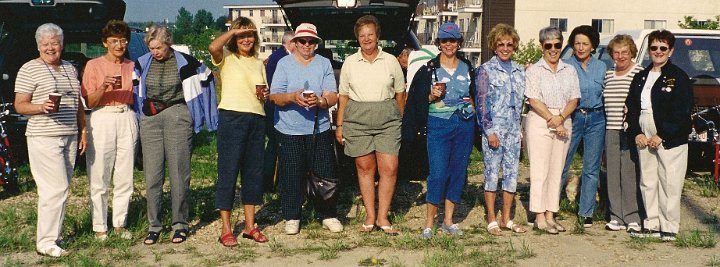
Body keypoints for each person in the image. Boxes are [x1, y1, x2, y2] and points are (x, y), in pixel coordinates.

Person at [134, 25, 218, 245]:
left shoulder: (187, 62)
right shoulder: (142, 63)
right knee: (152, 175)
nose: (155, 52)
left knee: (179, 173)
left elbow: (208, 79)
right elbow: (135, 92)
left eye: (159, 47)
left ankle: (179, 224)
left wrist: (206, 115)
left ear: (168, 43)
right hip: (150, 117)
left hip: (178, 114)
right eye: (151, 48)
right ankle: (154, 225)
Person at [15, 23, 87, 257]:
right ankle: (45, 243)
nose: (50, 48)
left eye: (54, 43)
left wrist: (83, 130)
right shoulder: (29, 69)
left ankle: (54, 237)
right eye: (45, 44)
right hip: (43, 136)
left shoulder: (69, 68)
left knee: (62, 188)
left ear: (62, 44)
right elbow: (20, 105)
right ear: (38, 46)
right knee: (54, 188)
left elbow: (77, 103)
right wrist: (41, 107)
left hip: (69, 135)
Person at [269, 23, 343, 235]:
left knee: (325, 173)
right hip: (289, 129)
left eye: (311, 41)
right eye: (302, 41)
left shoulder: (324, 63)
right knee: (291, 173)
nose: (307, 45)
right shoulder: (283, 64)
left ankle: (328, 214)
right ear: (295, 42)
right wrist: (292, 98)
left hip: (318, 129)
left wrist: (320, 101)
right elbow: (274, 96)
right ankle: (292, 216)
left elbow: (332, 95)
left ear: (316, 44)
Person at [404, 22, 475, 239]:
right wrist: (431, 96)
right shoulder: (428, 68)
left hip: (464, 124)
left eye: (453, 40)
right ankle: (428, 224)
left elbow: (476, 95)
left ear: (459, 43)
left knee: (458, 172)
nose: (449, 44)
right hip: (438, 124)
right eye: (444, 40)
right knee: (437, 173)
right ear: (438, 43)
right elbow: (416, 101)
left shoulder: (468, 67)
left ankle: (448, 221)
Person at [336, 15, 406, 234]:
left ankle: (383, 217)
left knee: (390, 167)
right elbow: (343, 97)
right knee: (365, 168)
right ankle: (370, 215)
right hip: (357, 117)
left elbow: (400, 93)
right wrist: (340, 126)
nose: (366, 39)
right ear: (357, 38)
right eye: (362, 35)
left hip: (387, 117)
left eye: (370, 34)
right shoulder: (349, 62)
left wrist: (397, 118)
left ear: (378, 36)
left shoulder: (391, 61)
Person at [625, 30, 692, 241]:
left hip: (670, 136)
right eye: (654, 47)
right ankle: (651, 224)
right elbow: (632, 107)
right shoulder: (641, 76)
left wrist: (662, 134)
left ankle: (669, 227)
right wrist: (636, 132)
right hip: (644, 131)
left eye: (663, 48)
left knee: (669, 181)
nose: (658, 52)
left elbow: (682, 111)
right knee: (648, 180)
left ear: (670, 51)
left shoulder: (678, 77)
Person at [208, 17, 268, 246]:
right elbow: (213, 47)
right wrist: (234, 31)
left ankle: (250, 226)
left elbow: (261, 91)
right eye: (242, 35)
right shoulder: (226, 57)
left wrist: (264, 95)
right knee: (228, 172)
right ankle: (225, 228)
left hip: (256, 118)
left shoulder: (259, 62)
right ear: (234, 38)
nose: (246, 39)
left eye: (250, 35)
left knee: (253, 173)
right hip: (232, 118)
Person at [81, 20, 136, 241]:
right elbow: (88, 102)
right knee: (100, 174)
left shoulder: (133, 66)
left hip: (126, 116)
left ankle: (120, 224)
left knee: (125, 175)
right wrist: (103, 86)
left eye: (123, 40)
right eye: (114, 40)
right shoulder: (94, 65)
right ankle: (99, 226)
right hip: (102, 117)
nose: (119, 45)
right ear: (105, 43)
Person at [525, 26, 580, 234]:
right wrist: (553, 119)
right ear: (542, 46)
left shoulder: (570, 70)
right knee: (540, 170)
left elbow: (574, 98)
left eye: (557, 45)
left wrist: (561, 119)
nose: (553, 49)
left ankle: (550, 214)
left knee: (557, 170)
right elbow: (533, 99)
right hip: (541, 120)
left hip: (563, 119)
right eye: (549, 45)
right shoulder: (534, 70)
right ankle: (539, 216)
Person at [476, 23, 526, 236]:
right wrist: (489, 132)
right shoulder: (485, 70)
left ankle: (507, 218)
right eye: (501, 44)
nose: (505, 48)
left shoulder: (520, 70)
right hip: (494, 131)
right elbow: (481, 104)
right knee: (491, 174)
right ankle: (491, 219)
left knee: (511, 175)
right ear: (494, 46)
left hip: (514, 132)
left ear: (514, 46)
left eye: (509, 44)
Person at [560, 25, 607, 228]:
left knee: (591, 167)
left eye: (585, 44)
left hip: (596, 118)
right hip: (573, 118)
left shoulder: (602, 67)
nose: (580, 47)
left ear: (593, 46)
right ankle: (550, 207)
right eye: (577, 43)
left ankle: (586, 212)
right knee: (563, 162)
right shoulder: (565, 66)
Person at [603, 34, 644, 233]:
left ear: (632, 53)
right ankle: (616, 216)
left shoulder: (639, 73)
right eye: (616, 53)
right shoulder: (609, 74)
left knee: (629, 174)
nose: (620, 56)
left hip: (629, 131)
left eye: (624, 52)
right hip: (611, 129)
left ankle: (632, 216)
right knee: (612, 174)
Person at [263, 31, 295, 192]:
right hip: (274, 107)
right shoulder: (282, 59)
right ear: (288, 44)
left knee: (274, 145)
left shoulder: (277, 56)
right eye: (296, 43)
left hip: (272, 106)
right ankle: (270, 182)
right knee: (275, 145)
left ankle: (270, 182)